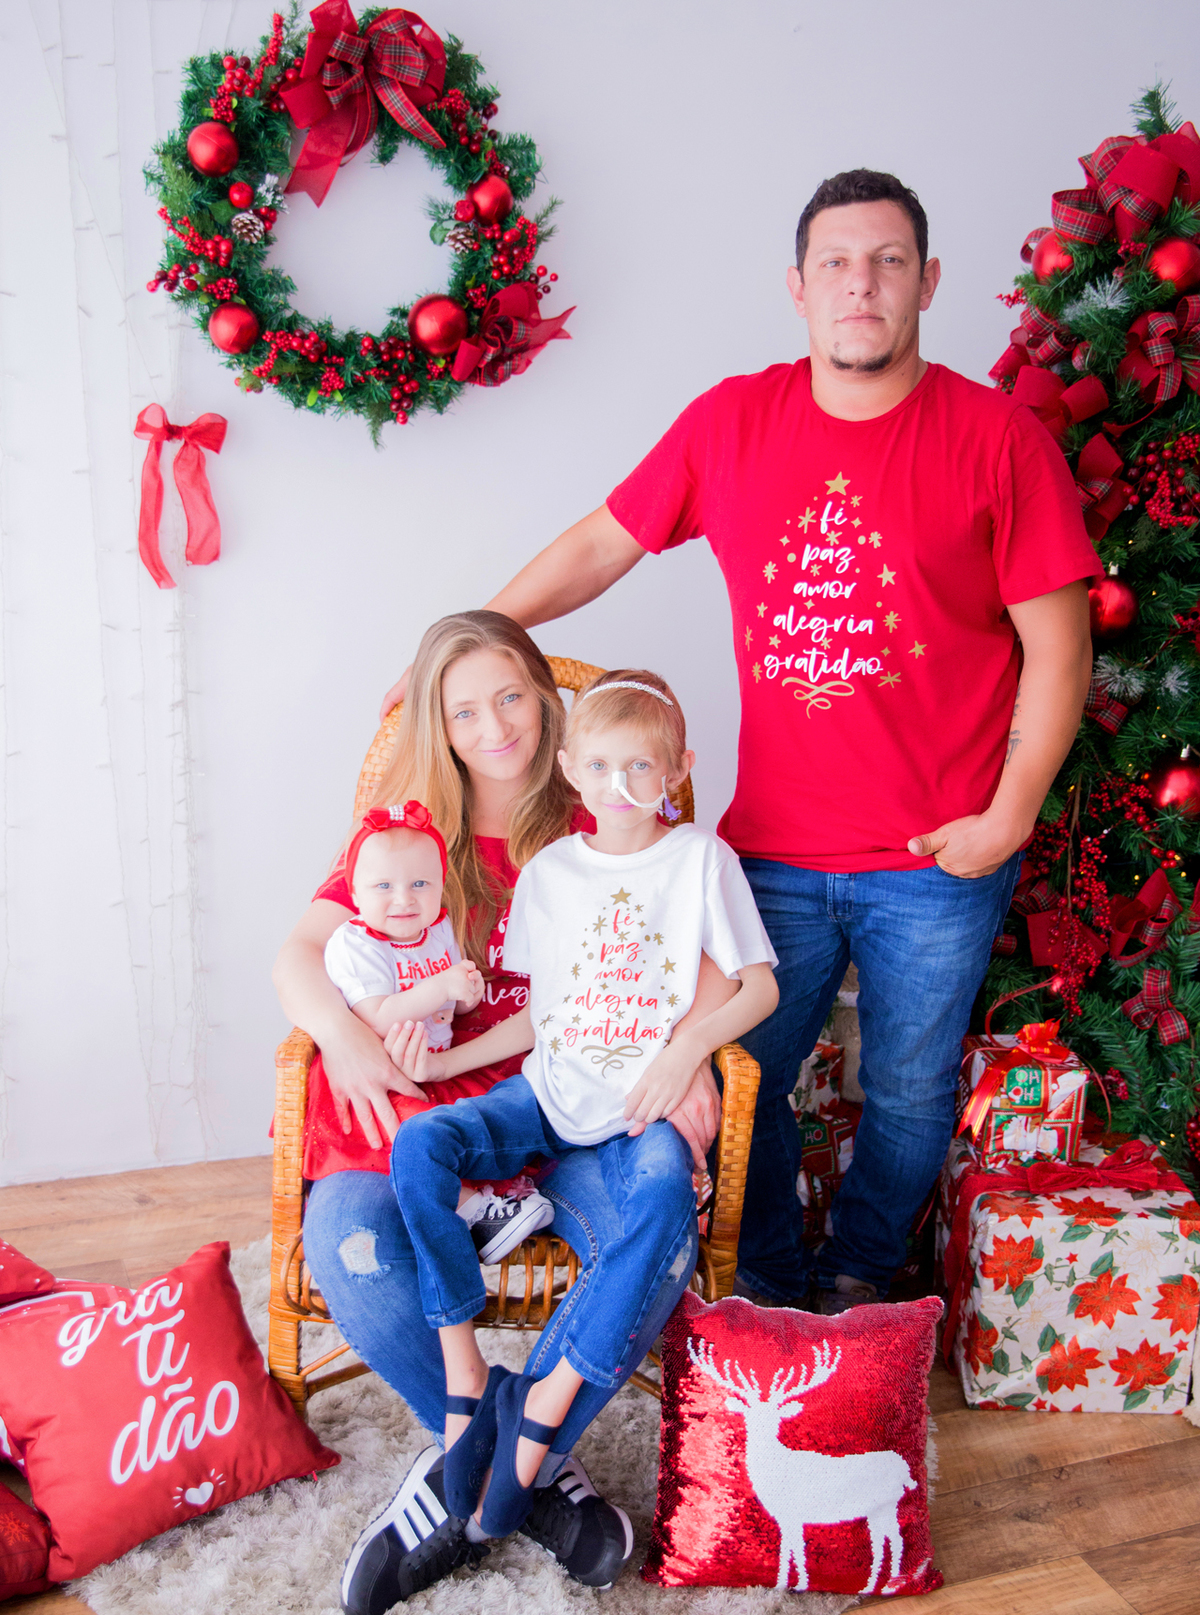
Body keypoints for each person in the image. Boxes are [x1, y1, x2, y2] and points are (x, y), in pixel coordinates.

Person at [380, 168, 1100, 1315]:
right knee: (742, 1077)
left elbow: (1060, 651)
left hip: (941, 851)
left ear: (927, 282)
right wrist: (466, 647)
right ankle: (768, 1281)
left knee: (909, 1091)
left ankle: (862, 1274)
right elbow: (601, 544)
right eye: (836, 264)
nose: (861, 284)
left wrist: (1009, 815)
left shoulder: (997, 440)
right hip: (771, 855)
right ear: (798, 287)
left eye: (888, 261)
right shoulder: (734, 423)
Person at [274, 612, 734, 1615]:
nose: (495, 726)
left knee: (660, 1209)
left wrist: (692, 1042)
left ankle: (470, 1474)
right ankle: (522, 1475)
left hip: (561, 1096)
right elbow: (297, 955)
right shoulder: (403, 828)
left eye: (514, 696)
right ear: (436, 722)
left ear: (548, 698)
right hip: (412, 1101)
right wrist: (346, 1037)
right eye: (465, 708)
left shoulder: (603, 810)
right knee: (350, 1242)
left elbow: (696, 937)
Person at [382, 668, 777, 1542]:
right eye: (599, 767)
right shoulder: (552, 872)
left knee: (667, 1198)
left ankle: (542, 1405)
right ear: (569, 768)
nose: (620, 789)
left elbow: (758, 989)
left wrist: (687, 1051)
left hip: (637, 1117)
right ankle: (464, 1377)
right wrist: (446, 1060)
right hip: (548, 1098)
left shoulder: (700, 861)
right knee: (421, 1147)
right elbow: (540, 1012)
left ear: (678, 769)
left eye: (643, 769)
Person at [322, 799, 553, 1262]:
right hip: (385, 1070)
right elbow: (379, 1016)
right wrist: (439, 987)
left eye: (420, 884)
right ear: (355, 891)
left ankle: (496, 1190)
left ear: (440, 887)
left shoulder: (437, 928)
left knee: (460, 1123)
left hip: (434, 1065)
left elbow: (453, 1002)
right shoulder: (355, 944)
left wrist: (463, 994)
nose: (404, 898)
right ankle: (477, 1211)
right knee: (410, 1127)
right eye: (383, 886)